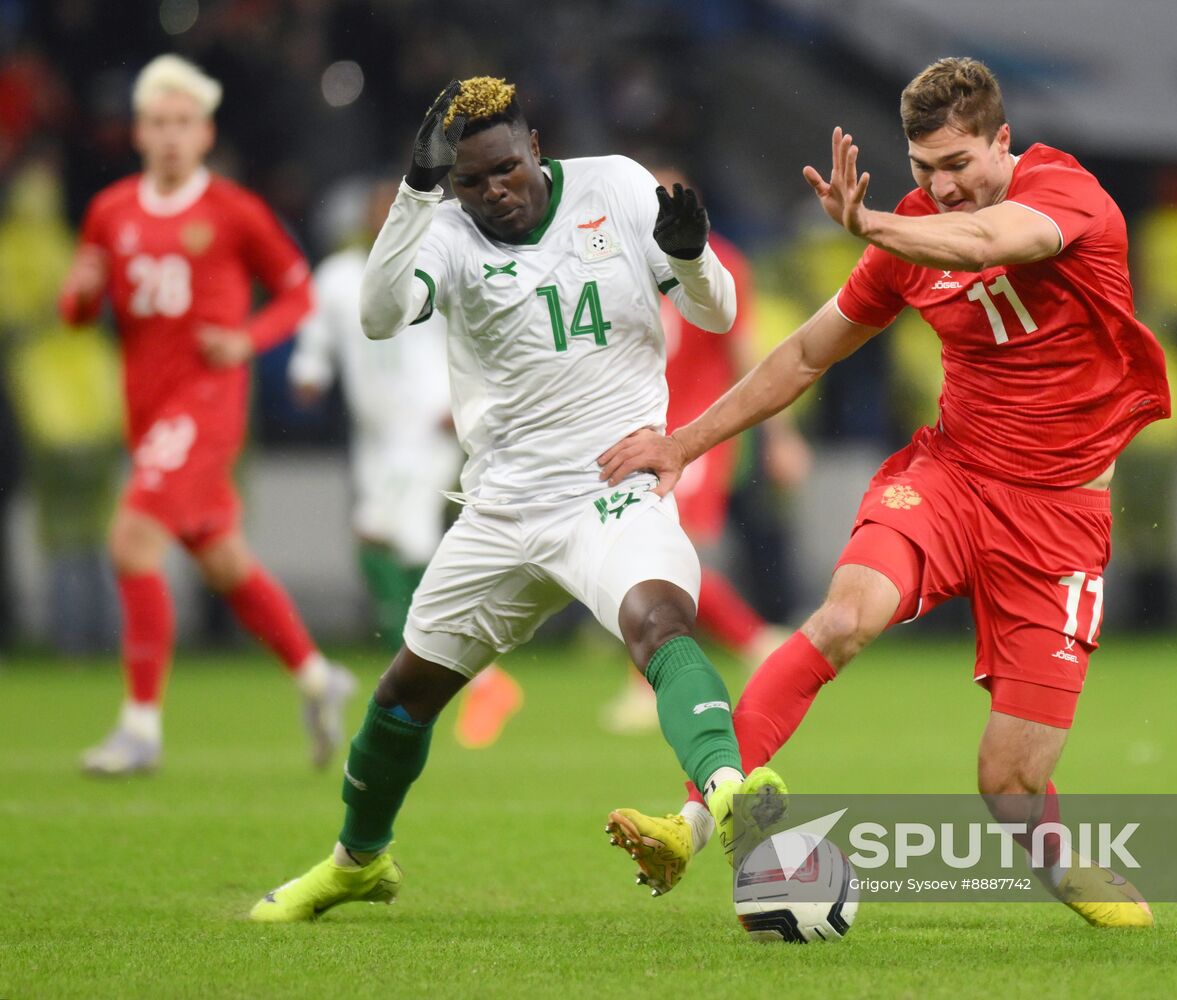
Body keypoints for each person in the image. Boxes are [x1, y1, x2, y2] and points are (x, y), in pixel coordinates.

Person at [600, 57, 1170, 928]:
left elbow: (987, 243)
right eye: (923, 168)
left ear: (1002, 141)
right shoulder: (905, 237)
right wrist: (682, 442)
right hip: (950, 479)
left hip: (1059, 517)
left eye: (958, 164)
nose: (941, 188)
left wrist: (869, 223)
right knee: (842, 617)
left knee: (1008, 783)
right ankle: (690, 823)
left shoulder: (1065, 192)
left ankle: (1064, 867)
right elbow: (804, 354)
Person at [248, 77, 786, 922]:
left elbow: (715, 316)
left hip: (611, 486)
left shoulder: (615, 185)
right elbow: (379, 315)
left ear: (535, 147)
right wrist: (417, 191)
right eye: (469, 179)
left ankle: (730, 797)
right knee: (403, 695)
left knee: (657, 623)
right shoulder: (445, 230)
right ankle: (357, 861)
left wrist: (689, 257)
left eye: (505, 168)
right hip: (501, 507)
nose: (494, 190)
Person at [57, 55, 356, 775]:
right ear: (137, 132)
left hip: (209, 404)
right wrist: (82, 290)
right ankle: (319, 678)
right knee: (225, 562)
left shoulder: (232, 210)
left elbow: (297, 291)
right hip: (148, 410)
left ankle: (140, 727)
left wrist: (247, 339)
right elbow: (77, 314)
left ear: (205, 133)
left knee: (132, 542)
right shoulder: (111, 211)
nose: (170, 136)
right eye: (158, 123)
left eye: (182, 123)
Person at [289, 181, 524, 750]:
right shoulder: (337, 278)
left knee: (379, 533)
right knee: (404, 548)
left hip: (427, 426)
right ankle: (473, 676)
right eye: (380, 210)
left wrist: (466, 398)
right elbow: (316, 337)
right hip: (376, 439)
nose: (386, 219)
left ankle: (445, 675)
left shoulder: (436, 261)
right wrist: (309, 372)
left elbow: (480, 328)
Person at [597, 164, 809, 736]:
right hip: (635, 433)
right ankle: (756, 645)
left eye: (664, 198)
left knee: (666, 556)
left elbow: (748, 356)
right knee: (641, 556)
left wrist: (781, 436)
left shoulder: (723, 263)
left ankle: (750, 646)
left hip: (695, 436)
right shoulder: (613, 261)